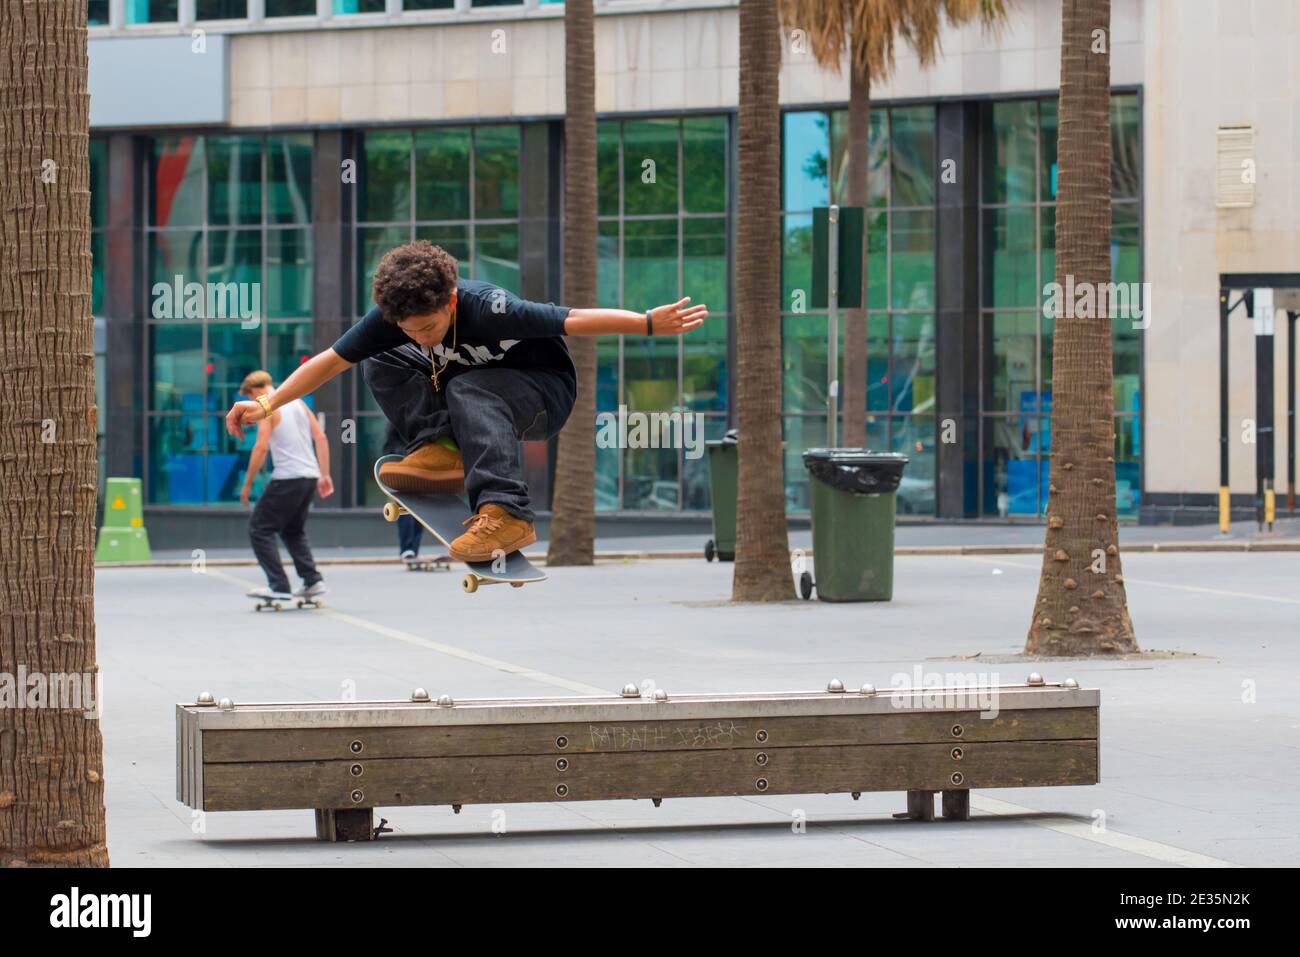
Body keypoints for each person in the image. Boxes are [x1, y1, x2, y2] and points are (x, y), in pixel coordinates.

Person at [225, 240, 705, 562]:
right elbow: (328, 362)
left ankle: (508, 512)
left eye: (429, 329)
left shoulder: (489, 306)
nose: (423, 340)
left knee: (466, 386)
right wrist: (267, 405)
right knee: (380, 360)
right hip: (475, 404)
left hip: (543, 393)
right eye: (410, 331)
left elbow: (573, 318)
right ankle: (441, 447)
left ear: (450, 303)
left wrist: (645, 322)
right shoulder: (395, 320)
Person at [237, 370, 334, 602]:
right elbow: (320, 437)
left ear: (256, 391)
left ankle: (279, 585)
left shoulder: (267, 405)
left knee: (259, 529)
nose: (253, 404)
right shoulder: (298, 402)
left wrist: (247, 484)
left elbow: (261, 447)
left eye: (251, 398)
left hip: (288, 477)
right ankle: (313, 581)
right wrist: (325, 474)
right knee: (293, 531)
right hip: (309, 476)